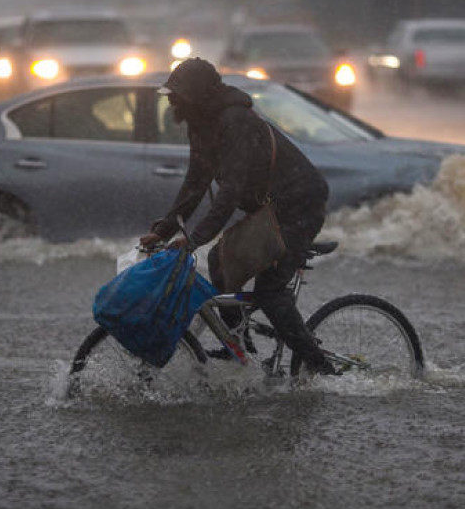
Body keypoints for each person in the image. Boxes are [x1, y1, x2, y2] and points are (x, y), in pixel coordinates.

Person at [139, 58, 336, 375]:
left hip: (301, 204)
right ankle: (240, 349)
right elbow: (195, 183)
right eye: (170, 96)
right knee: (219, 262)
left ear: (200, 96)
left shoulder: (236, 122)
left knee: (270, 291)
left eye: (178, 96)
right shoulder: (200, 123)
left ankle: (322, 368)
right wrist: (163, 230)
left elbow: (229, 191)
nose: (172, 103)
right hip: (271, 208)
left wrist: (192, 240)